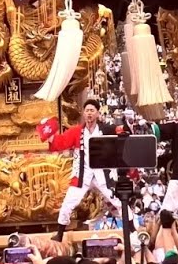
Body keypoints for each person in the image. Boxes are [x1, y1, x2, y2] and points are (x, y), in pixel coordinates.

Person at [43, 100, 123, 241]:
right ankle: (60, 234)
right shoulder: (76, 132)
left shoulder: (105, 130)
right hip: (82, 174)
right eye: (87, 110)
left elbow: (121, 131)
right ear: (84, 114)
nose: (89, 113)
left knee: (117, 200)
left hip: (101, 173)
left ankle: (132, 229)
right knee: (68, 203)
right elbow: (60, 143)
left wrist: (124, 131)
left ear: (97, 113)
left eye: (92, 110)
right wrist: (49, 134)